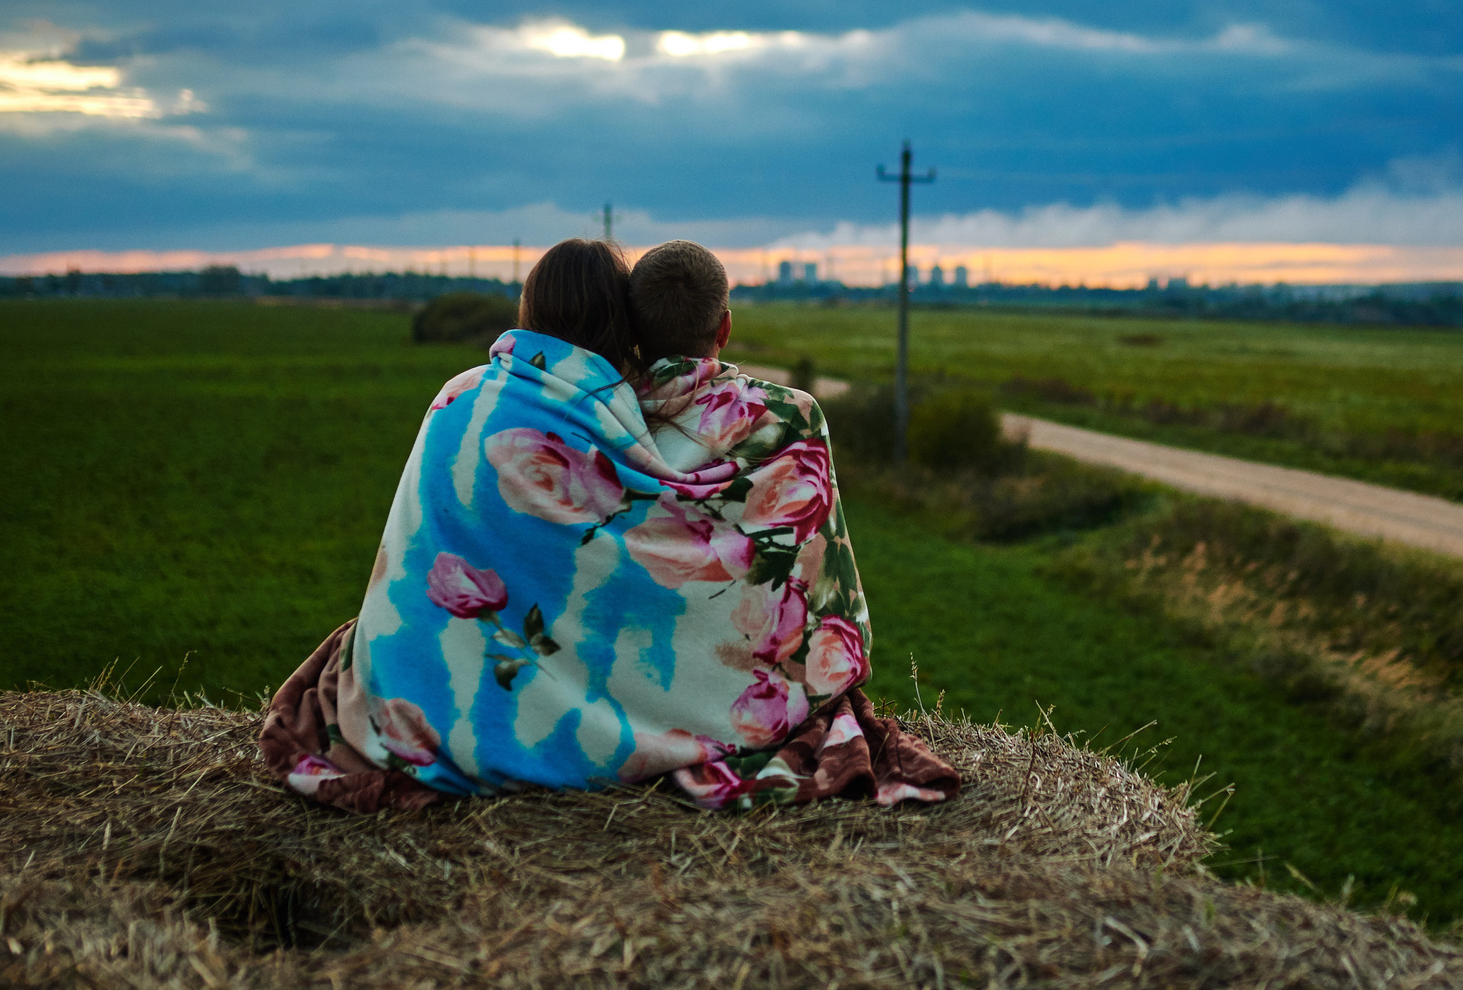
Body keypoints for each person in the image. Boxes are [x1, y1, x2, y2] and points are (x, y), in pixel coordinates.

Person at [260, 236, 955, 814]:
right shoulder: (631, 425)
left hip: (411, 692)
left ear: (529, 310)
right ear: (721, 326)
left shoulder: (459, 399)